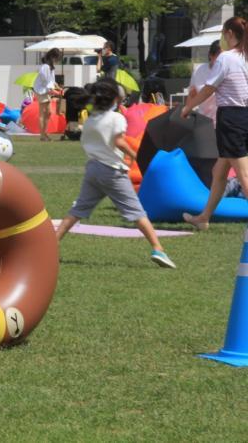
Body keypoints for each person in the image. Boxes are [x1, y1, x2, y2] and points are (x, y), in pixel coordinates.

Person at [55, 78, 176, 268]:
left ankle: (52, 245)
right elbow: (119, 141)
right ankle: (158, 249)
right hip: (112, 171)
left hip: (93, 169)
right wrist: (135, 155)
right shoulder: (117, 118)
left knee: (78, 210)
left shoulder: (91, 120)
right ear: (114, 99)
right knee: (136, 211)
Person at [181, 17, 248, 231]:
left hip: (231, 118)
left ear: (229, 33)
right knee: (219, 171)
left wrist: (188, 106)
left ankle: (203, 217)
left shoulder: (226, 58)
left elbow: (209, 88)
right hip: (243, 116)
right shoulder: (245, 57)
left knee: (243, 174)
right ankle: (204, 217)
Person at [187, 40, 222, 127]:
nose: (223, 61)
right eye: (220, 57)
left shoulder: (228, 71)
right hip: (204, 121)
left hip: (224, 122)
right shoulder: (199, 70)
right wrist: (187, 112)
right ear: (211, 55)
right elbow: (192, 94)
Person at [33, 48, 62, 142]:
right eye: (57, 58)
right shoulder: (45, 67)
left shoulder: (51, 67)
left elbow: (52, 81)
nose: (57, 60)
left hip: (45, 90)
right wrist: (55, 91)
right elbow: (46, 82)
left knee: (48, 113)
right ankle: (42, 136)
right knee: (43, 113)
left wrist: (58, 87)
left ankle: (44, 133)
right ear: (53, 57)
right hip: (41, 90)